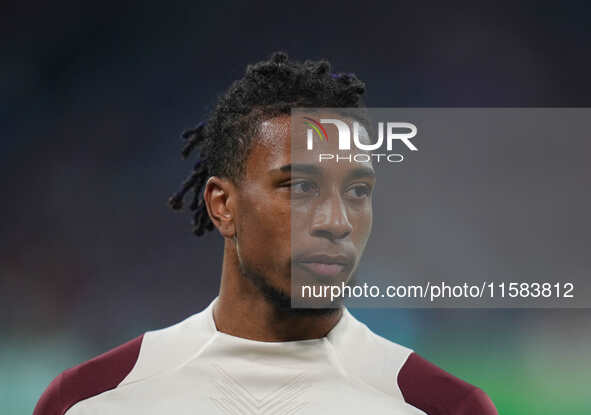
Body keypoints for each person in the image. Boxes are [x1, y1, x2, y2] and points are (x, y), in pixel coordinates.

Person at [34, 51, 498, 415]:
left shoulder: (443, 408)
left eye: (357, 190)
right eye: (298, 187)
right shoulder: (89, 403)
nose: (336, 222)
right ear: (223, 206)